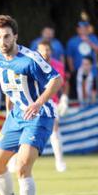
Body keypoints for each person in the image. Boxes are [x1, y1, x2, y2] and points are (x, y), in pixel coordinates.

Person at [0, 15, 63, 195]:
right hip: (16, 116)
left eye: (7, 36)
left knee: (21, 167)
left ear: (15, 36)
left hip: (39, 116)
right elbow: (7, 86)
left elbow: (56, 80)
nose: (3, 41)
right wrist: (9, 108)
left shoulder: (30, 58)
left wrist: (38, 103)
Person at [37, 41, 68, 172]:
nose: (45, 52)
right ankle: (14, 160)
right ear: (38, 51)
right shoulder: (33, 64)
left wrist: (64, 98)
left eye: (47, 50)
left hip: (51, 102)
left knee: (54, 131)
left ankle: (59, 161)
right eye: (43, 50)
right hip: (34, 102)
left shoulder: (58, 65)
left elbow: (64, 83)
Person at [66, 20, 98, 99]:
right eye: (81, 28)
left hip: (92, 71)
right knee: (78, 93)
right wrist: (72, 71)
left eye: (85, 28)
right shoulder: (72, 41)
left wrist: (88, 41)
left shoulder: (93, 38)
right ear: (77, 30)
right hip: (78, 72)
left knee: (93, 92)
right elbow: (69, 57)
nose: (83, 30)